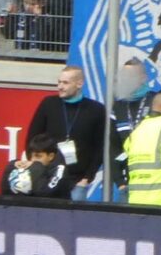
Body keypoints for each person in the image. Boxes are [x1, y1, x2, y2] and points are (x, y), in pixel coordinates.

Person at [25, 64, 106, 200]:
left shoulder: (96, 110)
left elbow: (100, 147)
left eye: (65, 83)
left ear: (79, 84)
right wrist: (35, 167)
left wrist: (87, 178)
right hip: (46, 178)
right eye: (59, 82)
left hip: (77, 181)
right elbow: (32, 138)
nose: (60, 87)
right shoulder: (48, 104)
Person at [3, 134, 72, 198]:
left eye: (38, 156)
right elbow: (6, 193)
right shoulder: (31, 168)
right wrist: (12, 165)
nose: (33, 160)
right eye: (31, 156)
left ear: (51, 156)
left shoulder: (60, 169)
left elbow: (45, 194)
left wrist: (36, 167)